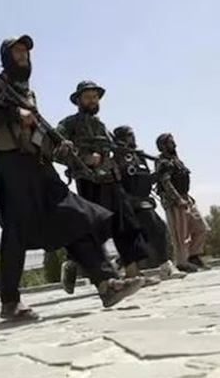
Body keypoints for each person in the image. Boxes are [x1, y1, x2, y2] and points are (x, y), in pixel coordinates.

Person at [0, 35, 144, 320]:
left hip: (39, 166)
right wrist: (14, 112)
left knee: (75, 217)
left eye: (25, 51)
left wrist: (58, 145)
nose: (23, 55)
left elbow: (36, 131)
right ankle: (10, 302)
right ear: (6, 57)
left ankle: (106, 283)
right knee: (16, 230)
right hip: (12, 165)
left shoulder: (28, 93)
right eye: (17, 51)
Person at [56, 81, 160, 289]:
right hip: (89, 181)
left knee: (127, 225)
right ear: (78, 101)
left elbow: (113, 148)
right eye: (88, 97)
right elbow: (56, 149)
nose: (92, 101)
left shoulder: (102, 126)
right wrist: (84, 158)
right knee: (95, 228)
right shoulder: (68, 124)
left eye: (95, 97)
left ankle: (133, 273)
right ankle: (73, 263)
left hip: (111, 179)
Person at [112, 126, 185, 279]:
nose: (133, 138)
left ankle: (117, 265)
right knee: (158, 229)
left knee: (142, 239)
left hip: (144, 201)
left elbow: (145, 180)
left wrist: (159, 173)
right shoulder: (118, 159)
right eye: (129, 135)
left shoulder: (139, 157)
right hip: (131, 204)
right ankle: (165, 266)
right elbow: (118, 183)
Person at [155, 133, 210, 271]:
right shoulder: (162, 162)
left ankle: (193, 255)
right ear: (163, 146)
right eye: (170, 142)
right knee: (180, 235)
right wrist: (177, 199)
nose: (174, 145)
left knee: (201, 227)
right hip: (174, 202)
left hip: (186, 198)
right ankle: (181, 262)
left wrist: (186, 198)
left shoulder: (176, 160)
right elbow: (166, 182)